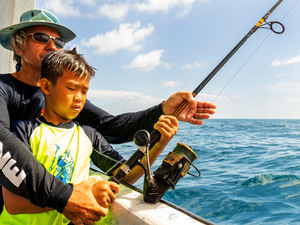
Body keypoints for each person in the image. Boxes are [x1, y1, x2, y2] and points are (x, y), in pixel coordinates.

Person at [0, 9, 216, 225]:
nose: (52, 45)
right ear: (18, 46)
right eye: (41, 38)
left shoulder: (65, 100)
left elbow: (110, 127)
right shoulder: (4, 89)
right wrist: (66, 195)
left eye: (58, 42)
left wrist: (162, 112)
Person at [0, 48, 179, 224]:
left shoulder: (88, 135)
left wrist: (161, 142)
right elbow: (13, 204)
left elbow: (126, 175)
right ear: (46, 86)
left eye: (84, 91)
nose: (79, 97)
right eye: (71, 88)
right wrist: (79, 196)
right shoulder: (22, 130)